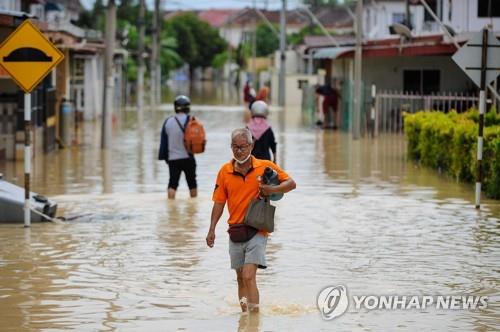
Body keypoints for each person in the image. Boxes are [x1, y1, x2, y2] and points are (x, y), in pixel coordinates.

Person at [206, 128, 296, 313]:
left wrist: (269, 190)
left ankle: (254, 319)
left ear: (251, 145)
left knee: (248, 276)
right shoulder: (224, 172)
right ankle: (245, 316)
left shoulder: (264, 166)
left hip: (257, 229)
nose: (239, 151)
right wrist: (211, 229)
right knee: (240, 278)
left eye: (243, 147)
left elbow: (291, 183)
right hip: (235, 231)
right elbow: (219, 203)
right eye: (235, 147)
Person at [158, 95, 197, 200]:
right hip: (188, 157)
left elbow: (163, 143)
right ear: (188, 107)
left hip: (173, 159)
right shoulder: (192, 121)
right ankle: (193, 208)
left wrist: (166, 158)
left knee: (172, 184)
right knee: (192, 183)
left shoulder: (168, 122)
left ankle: (170, 205)